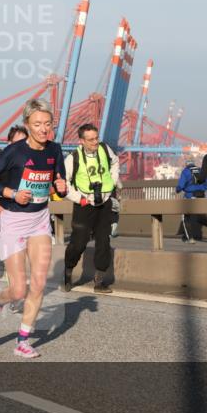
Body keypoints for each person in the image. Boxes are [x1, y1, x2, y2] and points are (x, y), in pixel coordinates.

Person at [0, 99, 67, 359]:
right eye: (37, 124)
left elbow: (58, 180)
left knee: (38, 284)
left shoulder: (55, 149)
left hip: (40, 219)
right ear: (27, 125)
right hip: (14, 219)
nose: (43, 129)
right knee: (18, 290)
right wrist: (11, 193)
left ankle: (23, 340)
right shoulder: (15, 152)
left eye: (47, 124)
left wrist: (61, 187)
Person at [62, 123, 121, 293]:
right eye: (91, 140)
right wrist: (79, 198)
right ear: (82, 141)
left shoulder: (104, 149)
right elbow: (63, 185)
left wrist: (113, 181)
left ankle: (99, 281)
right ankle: (68, 272)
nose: (95, 142)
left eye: (96, 138)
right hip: (84, 205)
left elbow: (115, 162)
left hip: (104, 203)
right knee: (78, 243)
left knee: (104, 242)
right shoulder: (73, 158)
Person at [0, 126, 29, 278]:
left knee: (22, 251)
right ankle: (15, 296)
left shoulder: (31, 161)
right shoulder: (1, 163)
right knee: (14, 255)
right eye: (17, 143)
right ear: (9, 143)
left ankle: (1, 258)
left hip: (26, 211)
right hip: (4, 209)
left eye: (24, 142)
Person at [176, 159, 207, 242]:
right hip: (201, 195)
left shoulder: (186, 171)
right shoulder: (200, 170)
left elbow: (181, 185)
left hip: (190, 196)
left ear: (187, 165)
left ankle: (190, 238)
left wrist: (178, 190)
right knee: (200, 213)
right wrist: (203, 188)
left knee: (186, 218)